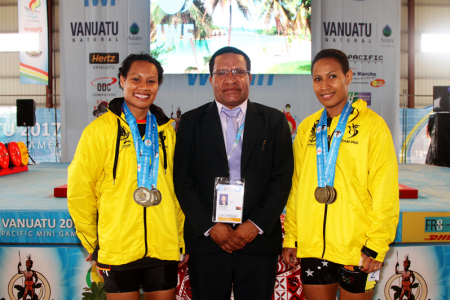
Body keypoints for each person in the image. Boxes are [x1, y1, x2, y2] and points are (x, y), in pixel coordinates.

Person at [173, 46, 294, 300]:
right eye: (222, 72)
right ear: (211, 79)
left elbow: (282, 179)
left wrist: (256, 225)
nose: (231, 79)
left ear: (249, 77)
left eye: (239, 71)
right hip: (208, 242)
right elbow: (183, 181)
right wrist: (209, 227)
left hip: (258, 241)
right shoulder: (191, 122)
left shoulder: (274, 121)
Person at [68, 53, 187, 300]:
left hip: (163, 245)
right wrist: (94, 242)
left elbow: (178, 190)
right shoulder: (98, 131)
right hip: (118, 246)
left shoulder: (168, 132)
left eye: (151, 81)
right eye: (136, 79)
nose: (143, 87)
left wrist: (180, 238)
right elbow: (80, 191)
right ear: (121, 80)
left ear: (158, 85)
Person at [282, 49, 399, 300]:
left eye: (332, 76)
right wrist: (291, 236)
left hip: (357, 248)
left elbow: (385, 191)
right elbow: (297, 187)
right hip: (313, 247)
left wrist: (376, 246)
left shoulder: (373, 127)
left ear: (348, 77)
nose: (325, 86)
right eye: (317, 79)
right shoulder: (307, 129)